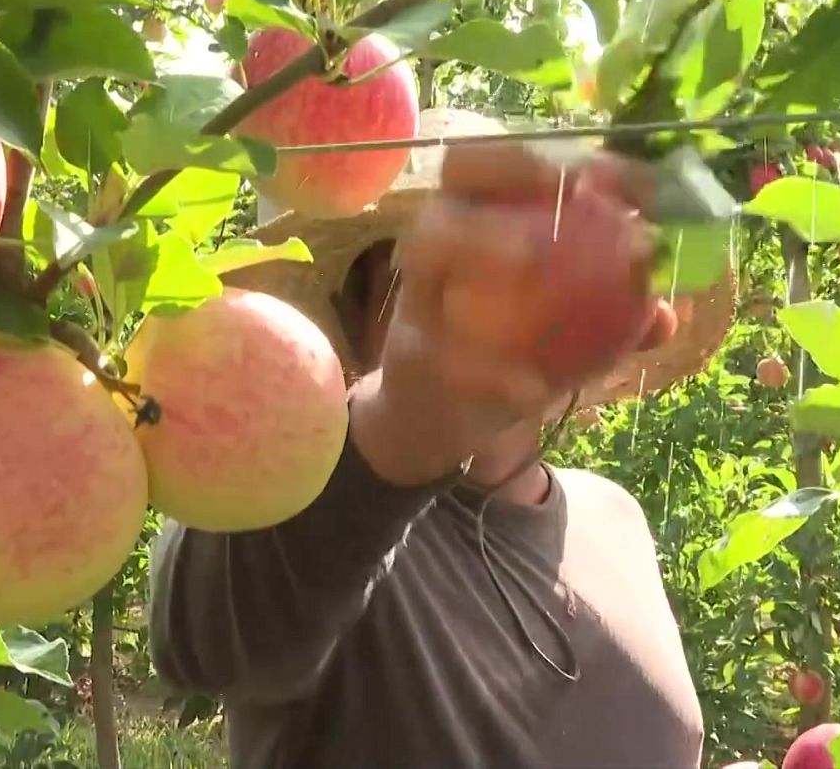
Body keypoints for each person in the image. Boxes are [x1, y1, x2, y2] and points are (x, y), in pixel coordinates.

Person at [146, 108, 738, 769]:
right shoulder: (313, 503)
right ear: (353, 315)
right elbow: (202, 632)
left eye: (537, 273)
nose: (505, 304)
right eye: (446, 276)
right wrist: (400, 423)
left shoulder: (614, 517)